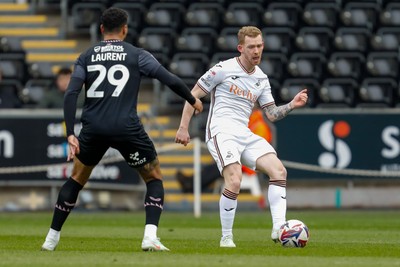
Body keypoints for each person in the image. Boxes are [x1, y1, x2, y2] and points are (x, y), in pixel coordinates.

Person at [41, 7, 203, 252]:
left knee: (76, 179)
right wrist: (192, 100)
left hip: (93, 128)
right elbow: (169, 78)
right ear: (125, 29)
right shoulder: (137, 54)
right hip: (126, 128)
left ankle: (50, 240)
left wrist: (70, 134)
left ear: (102, 29)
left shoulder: (86, 56)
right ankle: (150, 237)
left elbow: (71, 93)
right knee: (154, 178)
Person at [175, 26, 308, 248]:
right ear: (240, 48)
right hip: (221, 131)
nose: (257, 51)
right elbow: (192, 95)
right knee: (234, 180)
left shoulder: (261, 78)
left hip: (244, 133)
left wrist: (292, 105)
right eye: (251, 47)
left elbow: (272, 114)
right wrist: (183, 127)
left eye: (260, 46)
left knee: (279, 171)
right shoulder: (222, 69)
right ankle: (226, 237)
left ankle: (279, 228)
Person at [176, 106, 273, 193]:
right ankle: (192, 183)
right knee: (213, 167)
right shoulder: (252, 124)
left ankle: (191, 185)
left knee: (215, 168)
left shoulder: (259, 126)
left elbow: (254, 149)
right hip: (242, 160)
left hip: (248, 165)